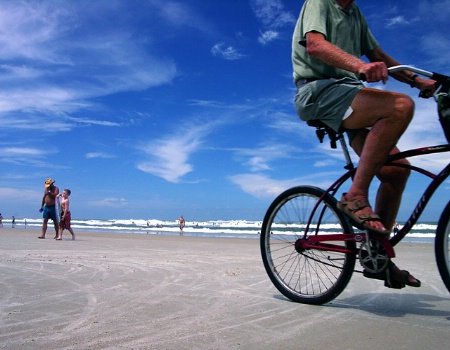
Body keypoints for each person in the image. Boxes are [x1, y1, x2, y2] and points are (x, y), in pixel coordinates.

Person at [292, 0, 436, 288]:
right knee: (398, 106)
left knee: (396, 171)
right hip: (318, 93)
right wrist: (360, 66)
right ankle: (355, 195)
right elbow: (316, 46)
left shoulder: (355, 14)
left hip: (350, 95)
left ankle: (376, 257)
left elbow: (379, 55)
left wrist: (418, 81)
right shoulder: (320, 2)